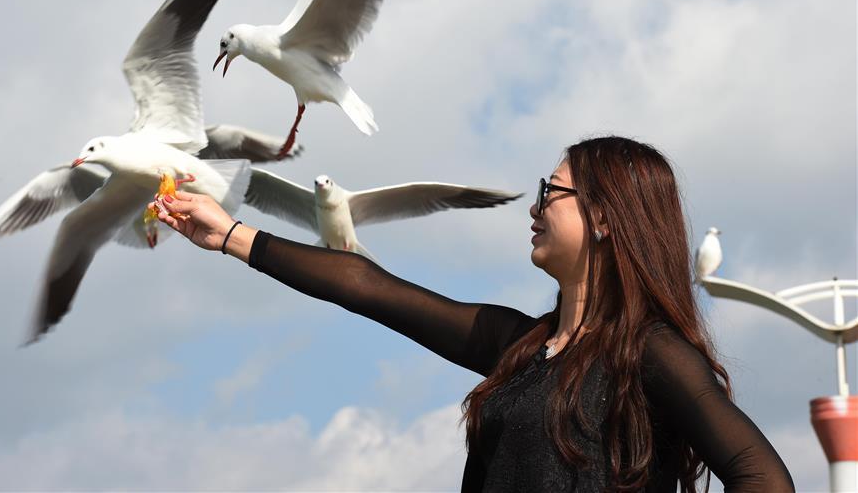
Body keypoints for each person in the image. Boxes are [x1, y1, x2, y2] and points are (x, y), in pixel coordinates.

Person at [151, 136, 794, 493]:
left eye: (552, 191)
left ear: (604, 217)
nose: (535, 206)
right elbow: (369, 288)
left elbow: (764, 478)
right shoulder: (518, 347)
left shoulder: (648, 354)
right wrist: (229, 234)